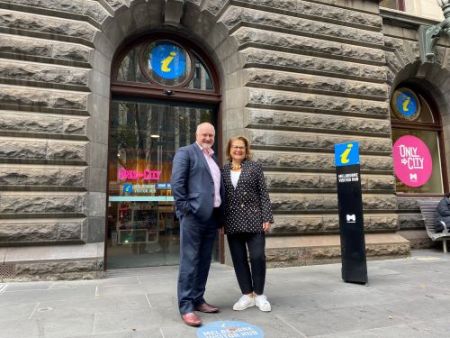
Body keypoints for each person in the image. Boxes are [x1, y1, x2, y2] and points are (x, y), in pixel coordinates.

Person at [171, 122, 223, 327]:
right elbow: (177, 183)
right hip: (193, 217)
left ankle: (198, 299)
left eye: (211, 135)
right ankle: (186, 306)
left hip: (211, 217)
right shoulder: (186, 153)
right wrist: (185, 210)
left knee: (203, 261)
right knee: (189, 261)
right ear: (196, 135)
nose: (208, 138)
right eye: (205, 135)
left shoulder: (213, 157)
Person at [222, 136, 274, 312]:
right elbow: (221, 197)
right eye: (235, 147)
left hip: (255, 220)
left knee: (258, 256)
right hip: (232, 221)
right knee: (238, 259)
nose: (238, 150)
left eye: (241, 147)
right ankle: (247, 294)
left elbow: (263, 194)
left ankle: (259, 295)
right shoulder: (223, 170)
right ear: (230, 150)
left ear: (246, 150)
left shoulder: (255, 167)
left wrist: (266, 217)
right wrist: (220, 220)